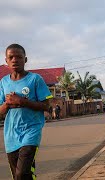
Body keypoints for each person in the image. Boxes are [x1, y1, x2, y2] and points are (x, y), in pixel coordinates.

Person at [0, 44, 53, 179]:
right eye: (11, 57)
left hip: (31, 132)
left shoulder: (35, 79)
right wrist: (8, 104)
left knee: (21, 173)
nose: (14, 60)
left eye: (19, 57)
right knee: (20, 176)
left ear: (25, 59)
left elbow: (47, 106)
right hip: (10, 135)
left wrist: (22, 101)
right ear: (6, 61)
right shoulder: (3, 82)